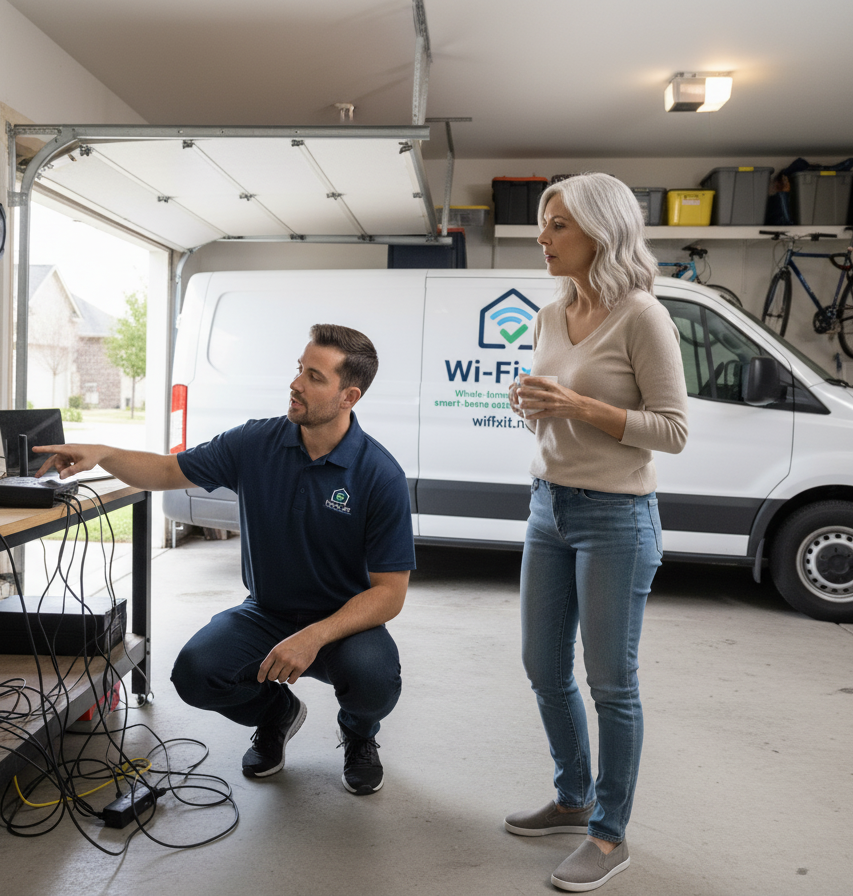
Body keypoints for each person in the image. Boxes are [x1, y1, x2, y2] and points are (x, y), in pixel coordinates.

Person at [34, 324, 415, 796]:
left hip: (341, 623)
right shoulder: (256, 443)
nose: (296, 383)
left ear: (348, 396)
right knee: (195, 672)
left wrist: (313, 637)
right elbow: (169, 470)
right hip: (267, 613)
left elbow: (389, 593)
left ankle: (359, 734)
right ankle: (277, 714)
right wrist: (104, 453)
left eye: (315, 376)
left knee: (374, 680)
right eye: (299, 369)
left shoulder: (380, 475)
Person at [503, 173, 688, 891]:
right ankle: (573, 797)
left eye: (557, 226)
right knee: (542, 668)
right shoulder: (552, 314)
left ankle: (609, 837)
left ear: (600, 233)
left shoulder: (642, 315)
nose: (542, 238)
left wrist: (577, 402)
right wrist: (534, 406)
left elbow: (671, 432)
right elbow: (559, 406)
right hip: (548, 507)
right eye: (543, 225)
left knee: (611, 684)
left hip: (617, 518)